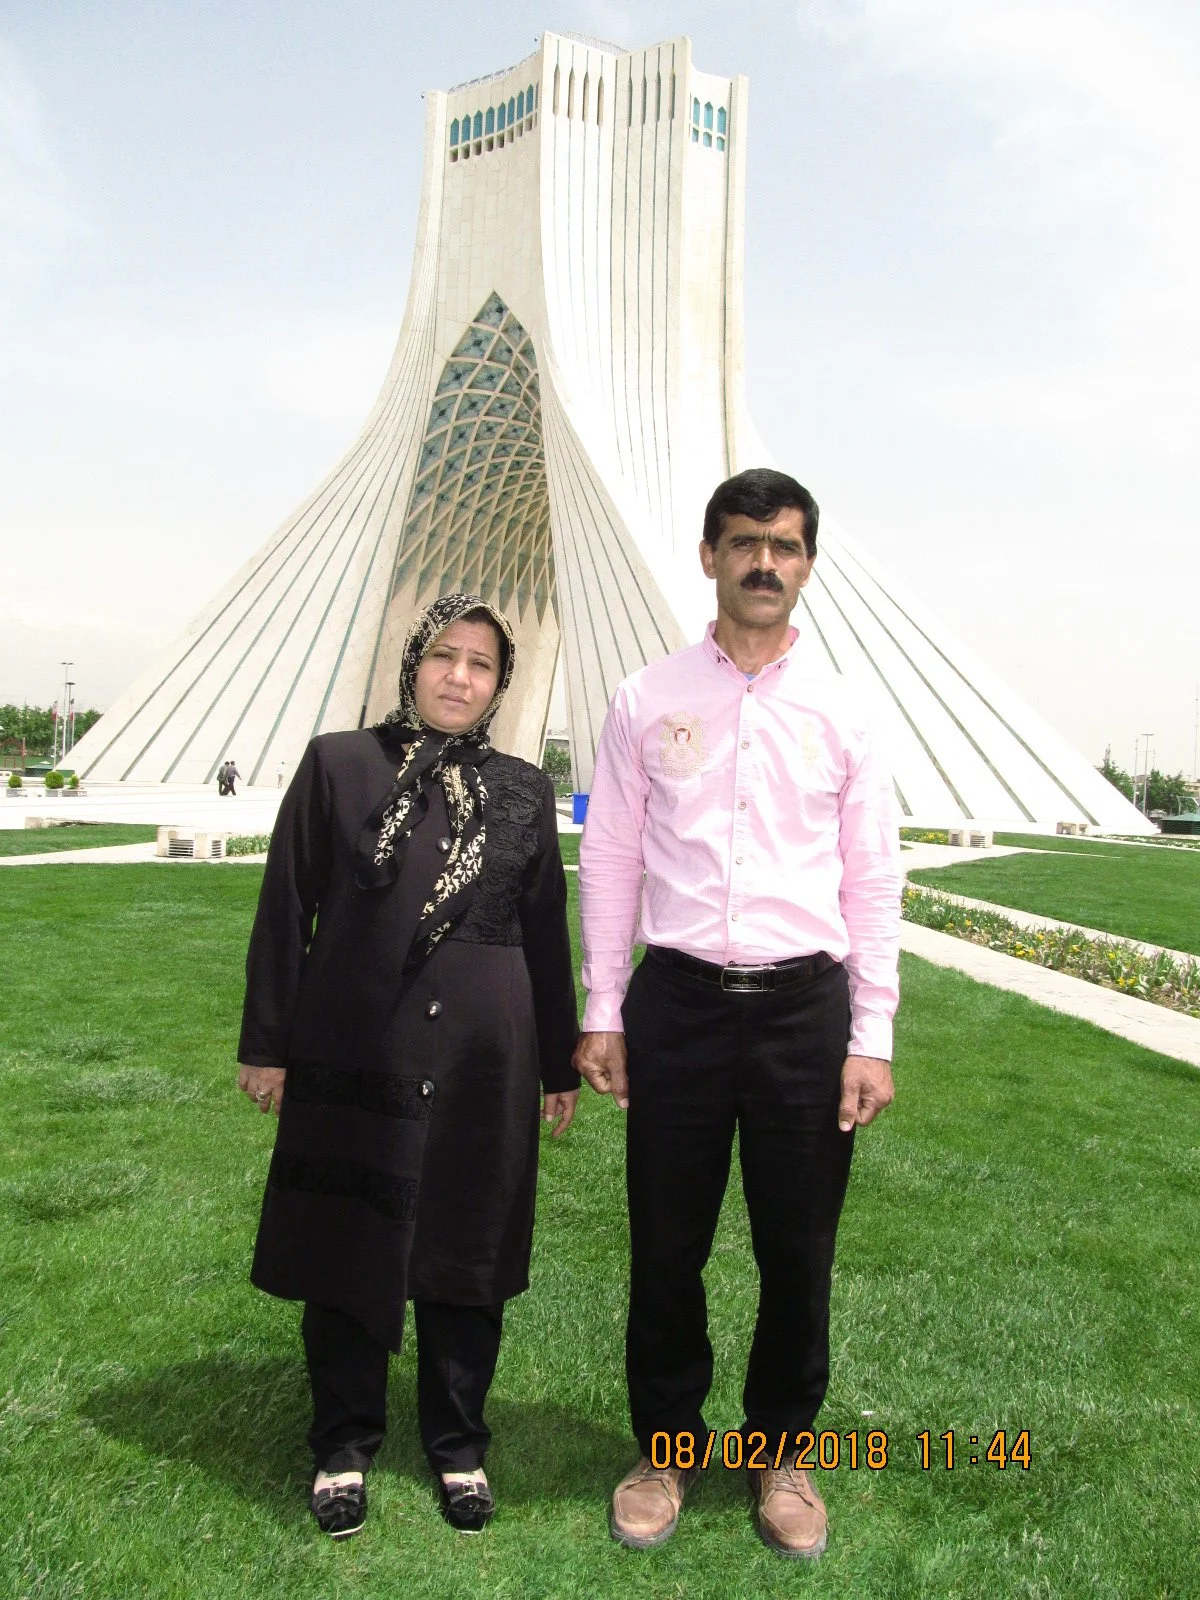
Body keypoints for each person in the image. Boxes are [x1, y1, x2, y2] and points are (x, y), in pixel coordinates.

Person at [575, 468, 901, 1561]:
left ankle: (782, 1455)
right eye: (746, 541)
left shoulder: (847, 709)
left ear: (809, 564)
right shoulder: (645, 696)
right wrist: (605, 1006)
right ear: (709, 555)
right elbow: (611, 855)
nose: (766, 561)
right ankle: (666, 1449)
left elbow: (873, 880)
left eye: (787, 544)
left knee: (797, 1249)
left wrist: (873, 1033)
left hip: (807, 1008)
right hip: (678, 1004)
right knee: (667, 1243)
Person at [236, 593, 580, 1540]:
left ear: (502, 685)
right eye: (443, 657)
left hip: (486, 1062)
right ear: (413, 663)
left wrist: (559, 1063)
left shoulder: (522, 790)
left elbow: (546, 932)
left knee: (469, 1252)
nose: (459, 676)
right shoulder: (340, 765)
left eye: (480, 664)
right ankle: (342, 1445)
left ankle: (459, 1444)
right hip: (356, 1045)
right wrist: (267, 1044)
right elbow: (285, 908)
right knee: (347, 1245)